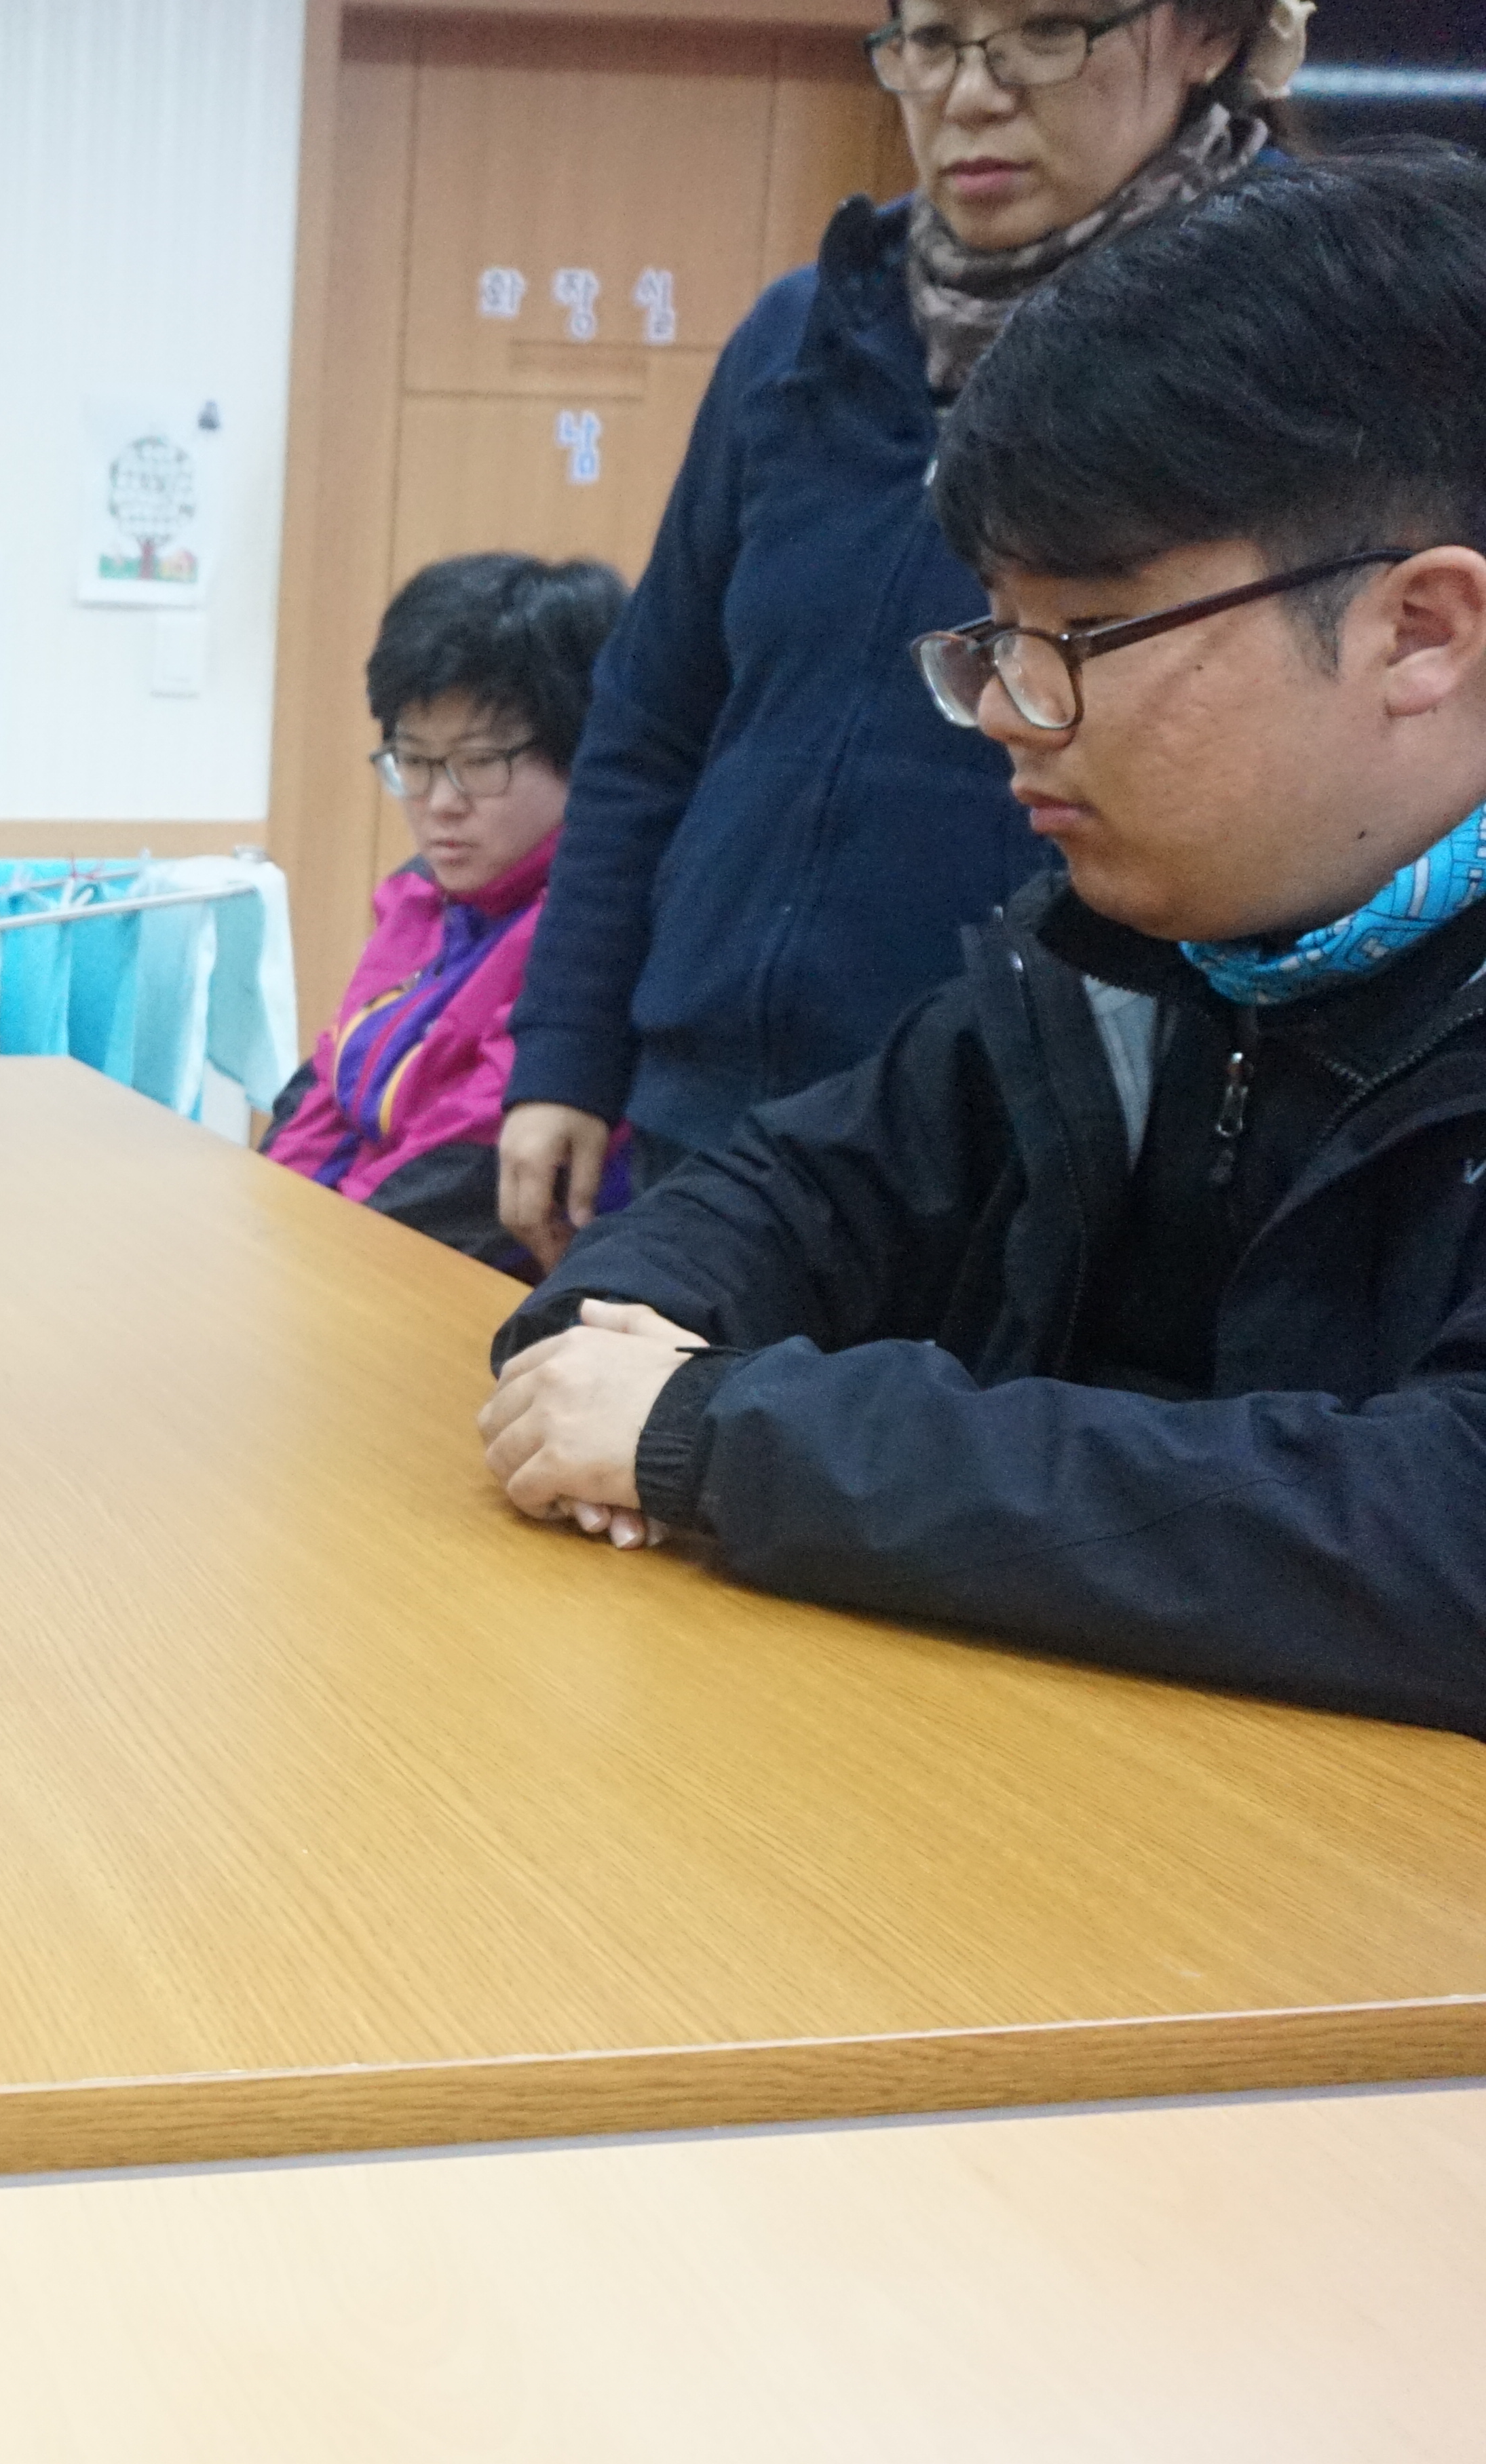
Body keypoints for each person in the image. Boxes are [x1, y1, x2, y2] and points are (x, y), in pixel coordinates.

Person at [476, 145, 1486, 1737]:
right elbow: (787, 1187)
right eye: (996, 636)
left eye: (1076, 637)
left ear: (1418, 630)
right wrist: (602, 1339)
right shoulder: (1123, 950)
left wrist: (716, 1433)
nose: (1006, 711)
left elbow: (1437, 1531)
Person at [493, 0, 1316, 1269]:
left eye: (1046, 30)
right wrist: (565, 1050)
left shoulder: (1290, 338)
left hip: (1033, 1149)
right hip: (712, 1111)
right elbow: (653, 719)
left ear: (1209, 34)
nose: (971, 94)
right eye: (931, 40)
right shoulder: (800, 335)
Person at [264, 554, 629, 1273]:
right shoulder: (423, 895)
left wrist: (304, 1266)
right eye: (414, 761)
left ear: (582, 752)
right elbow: (328, 1097)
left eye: (480, 761)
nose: (439, 803)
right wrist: (264, 1228)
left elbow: (461, 1166)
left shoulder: (593, 939)